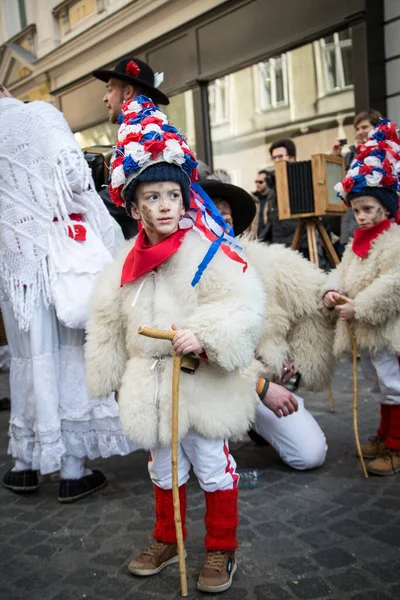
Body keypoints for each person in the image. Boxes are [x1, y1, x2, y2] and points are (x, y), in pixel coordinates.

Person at [85, 95, 266, 593]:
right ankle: (167, 539)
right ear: (134, 204)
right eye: (152, 197)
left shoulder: (207, 252)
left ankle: (220, 549)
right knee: (163, 468)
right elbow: (105, 318)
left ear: (185, 198)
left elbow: (243, 305)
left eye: (172, 195)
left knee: (211, 464)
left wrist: (204, 334)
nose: (165, 206)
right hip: (150, 385)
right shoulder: (125, 264)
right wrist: (109, 376)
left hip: (199, 382)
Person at [0, 86, 134, 503]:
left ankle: (25, 465)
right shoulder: (38, 114)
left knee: (26, 358)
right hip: (59, 257)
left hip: (13, 263)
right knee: (70, 351)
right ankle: (72, 470)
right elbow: (74, 176)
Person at [200, 177, 329, 470]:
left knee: (310, 454)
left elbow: (318, 295)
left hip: (260, 380)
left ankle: (257, 424)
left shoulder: (263, 261)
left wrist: (295, 355)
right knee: (205, 464)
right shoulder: (180, 272)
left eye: (228, 219)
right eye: (211, 217)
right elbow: (194, 355)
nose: (222, 225)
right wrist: (259, 387)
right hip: (209, 388)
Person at [323, 117, 400, 476]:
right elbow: (344, 271)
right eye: (356, 210)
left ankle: (397, 446)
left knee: (395, 385)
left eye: (368, 209)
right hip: (364, 330)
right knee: (379, 384)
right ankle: (385, 435)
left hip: (385, 327)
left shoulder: (393, 239)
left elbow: (394, 283)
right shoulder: (358, 243)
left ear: (385, 208)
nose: (361, 216)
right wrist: (333, 290)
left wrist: (362, 306)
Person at [92, 57, 169, 239]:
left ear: (127, 92)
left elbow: (124, 194)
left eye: (110, 89)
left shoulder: (147, 136)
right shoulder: (142, 131)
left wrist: (82, 203)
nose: (105, 98)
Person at [331, 109, 382, 246]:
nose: (360, 132)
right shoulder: (350, 156)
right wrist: (336, 157)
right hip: (349, 230)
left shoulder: (387, 153)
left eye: (365, 127)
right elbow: (335, 189)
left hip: (376, 231)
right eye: (357, 129)